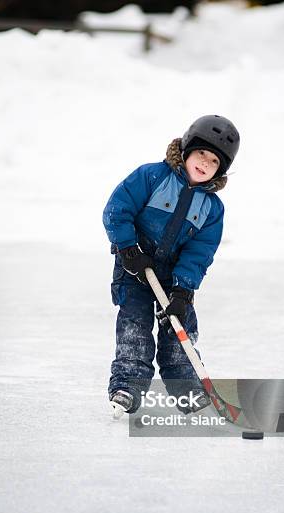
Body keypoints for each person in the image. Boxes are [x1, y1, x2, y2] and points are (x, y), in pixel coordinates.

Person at [102, 115, 240, 418]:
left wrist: (182, 289)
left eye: (214, 161)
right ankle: (127, 386)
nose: (204, 163)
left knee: (180, 330)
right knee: (134, 326)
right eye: (201, 153)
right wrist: (128, 249)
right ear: (188, 149)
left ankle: (190, 392)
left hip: (173, 278)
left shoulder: (212, 209)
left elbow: (200, 251)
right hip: (134, 265)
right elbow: (117, 209)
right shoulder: (152, 176)